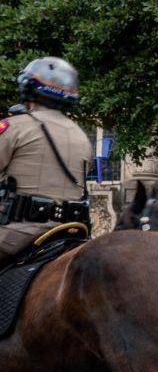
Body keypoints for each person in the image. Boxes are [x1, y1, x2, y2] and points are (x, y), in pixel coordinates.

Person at [0, 58, 93, 268]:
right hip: (72, 231)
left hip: (20, 232)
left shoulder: (15, 126)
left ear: (28, 87)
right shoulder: (81, 135)